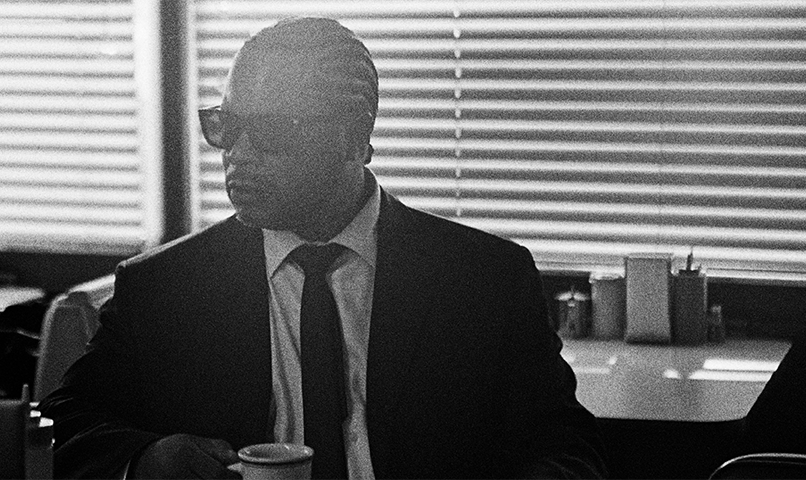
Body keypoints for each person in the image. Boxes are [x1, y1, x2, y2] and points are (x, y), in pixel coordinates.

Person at [39, 17, 607, 480]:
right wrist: (145, 459)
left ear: (354, 137)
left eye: (272, 131)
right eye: (226, 126)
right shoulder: (168, 285)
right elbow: (65, 423)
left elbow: (563, 444)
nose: (238, 154)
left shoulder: (481, 278)